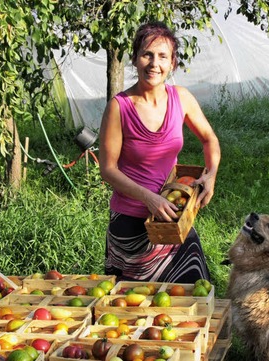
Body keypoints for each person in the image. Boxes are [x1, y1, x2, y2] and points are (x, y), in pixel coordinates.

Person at [99, 21, 221, 283]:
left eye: (163, 56)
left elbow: (209, 139)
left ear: (172, 63)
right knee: (132, 312)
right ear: (135, 59)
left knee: (195, 299)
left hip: (174, 218)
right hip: (131, 223)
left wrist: (211, 174)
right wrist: (149, 199)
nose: (154, 63)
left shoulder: (182, 98)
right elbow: (108, 169)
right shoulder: (119, 107)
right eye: (147, 54)